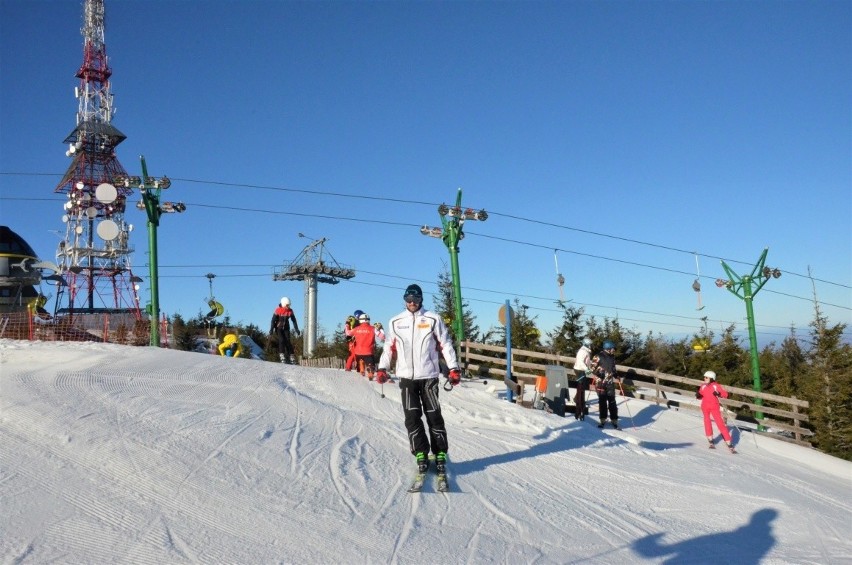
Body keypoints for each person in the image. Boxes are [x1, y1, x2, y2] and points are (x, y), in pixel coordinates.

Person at [376, 284, 461, 476]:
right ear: (404, 300)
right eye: (408, 299)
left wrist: (453, 368)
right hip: (406, 378)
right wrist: (383, 367)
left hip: (429, 376)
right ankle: (420, 453)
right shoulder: (396, 321)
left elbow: (445, 344)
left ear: (421, 299)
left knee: (433, 415)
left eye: (415, 299)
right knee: (412, 417)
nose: (412, 303)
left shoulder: (433, 319)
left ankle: (439, 453)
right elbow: (389, 346)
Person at [696, 370, 735, 451]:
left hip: (714, 407)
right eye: (704, 377)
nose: (704, 378)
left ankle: (728, 442)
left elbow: (725, 394)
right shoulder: (703, 385)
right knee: (707, 422)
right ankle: (710, 439)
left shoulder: (716, 386)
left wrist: (719, 394)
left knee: (720, 423)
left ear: (711, 378)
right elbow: (701, 394)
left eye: (706, 377)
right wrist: (698, 395)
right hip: (705, 406)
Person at [592, 340, 619, 429]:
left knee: (612, 401)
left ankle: (614, 419)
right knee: (602, 401)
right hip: (600, 382)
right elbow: (592, 368)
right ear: (607, 348)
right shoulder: (598, 356)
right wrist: (599, 374)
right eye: (612, 348)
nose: (614, 350)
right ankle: (603, 419)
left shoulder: (612, 357)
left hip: (610, 382)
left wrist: (616, 375)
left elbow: (613, 368)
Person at [350, 312, 385, 379]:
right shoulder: (373, 328)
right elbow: (382, 337)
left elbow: (348, 333)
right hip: (368, 352)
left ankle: (362, 369)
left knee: (361, 359)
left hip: (358, 352)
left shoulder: (356, 329)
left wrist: (347, 325)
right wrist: (381, 329)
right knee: (370, 363)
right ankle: (370, 372)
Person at [270, 296, 300, 364]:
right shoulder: (278, 310)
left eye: (289, 305)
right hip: (279, 328)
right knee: (281, 340)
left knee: (288, 341)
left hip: (286, 328)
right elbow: (273, 320)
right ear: (283, 304)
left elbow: (294, 320)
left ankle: (291, 356)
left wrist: (296, 329)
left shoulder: (290, 311)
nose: (288, 306)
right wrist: (271, 329)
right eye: (287, 305)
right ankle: (282, 354)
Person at [572, 337, 593, 420]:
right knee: (581, 387)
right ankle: (579, 403)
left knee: (582, 387)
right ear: (586, 344)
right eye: (590, 344)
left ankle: (578, 399)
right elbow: (580, 362)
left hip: (582, 370)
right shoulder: (583, 351)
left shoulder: (586, 351)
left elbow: (586, 362)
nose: (591, 346)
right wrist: (587, 369)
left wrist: (588, 369)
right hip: (580, 370)